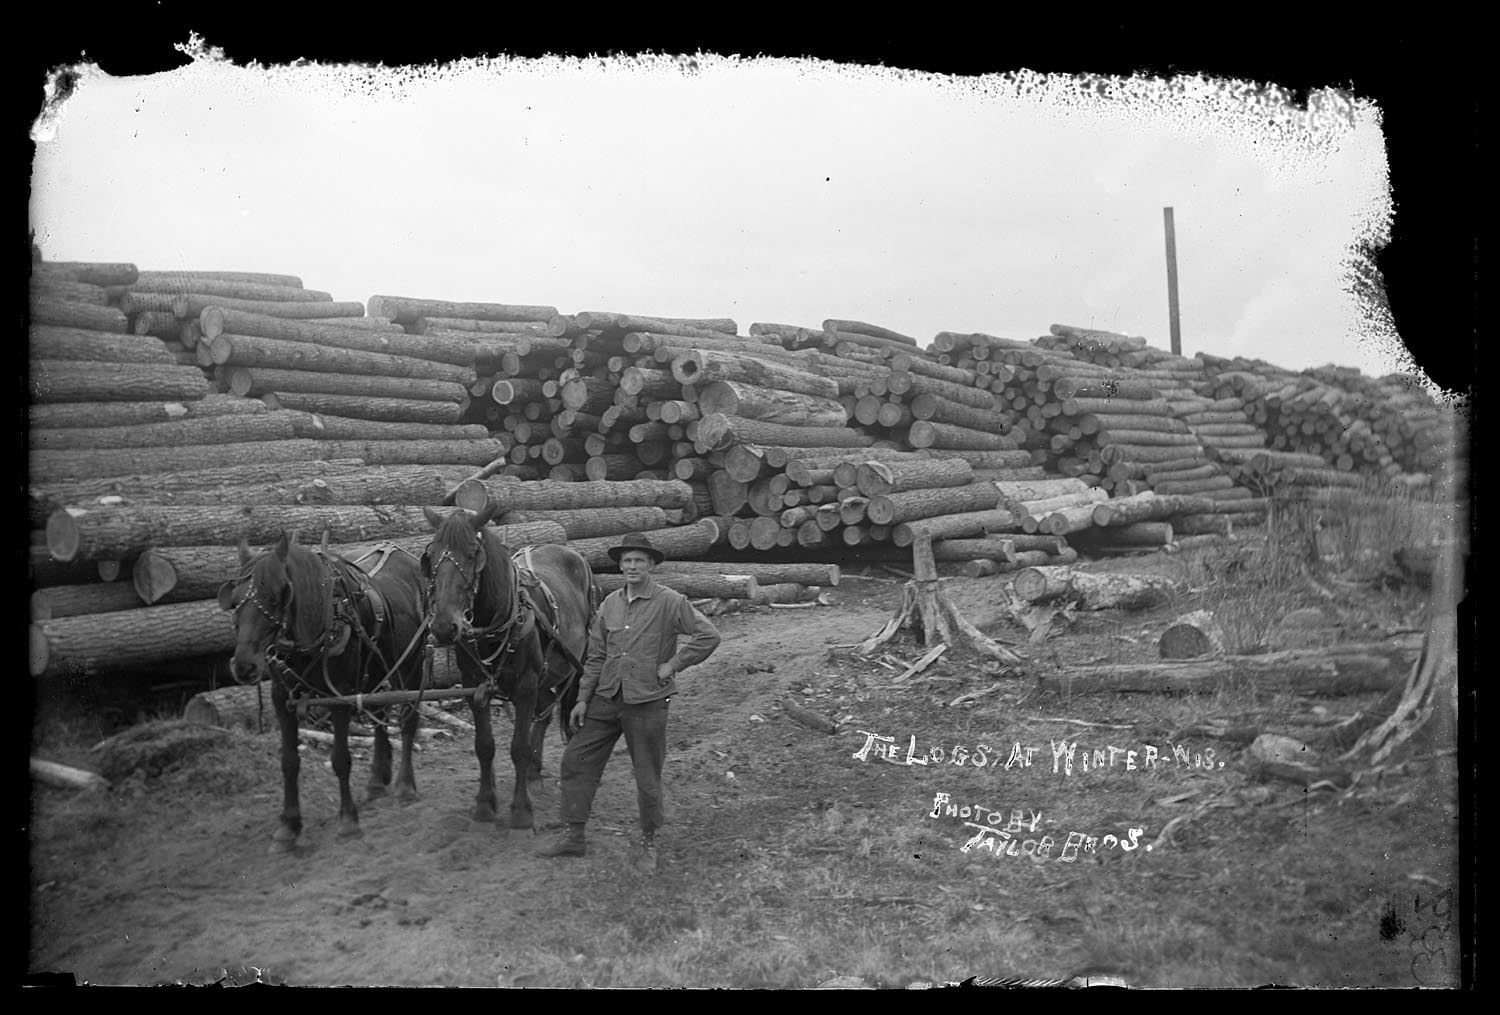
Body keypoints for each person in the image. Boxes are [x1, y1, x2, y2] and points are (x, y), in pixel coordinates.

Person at [535, 532, 721, 873]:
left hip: (648, 702)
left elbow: (709, 635)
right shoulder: (609, 604)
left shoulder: (670, 601)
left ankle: (648, 843)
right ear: (620, 566)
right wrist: (581, 699)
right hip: (606, 699)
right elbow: (595, 656)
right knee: (577, 759)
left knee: (647, 776)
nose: (632, 566)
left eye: (639, 560)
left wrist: (673, 665)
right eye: (627, 561)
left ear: (651, 565)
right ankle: (573, 836)